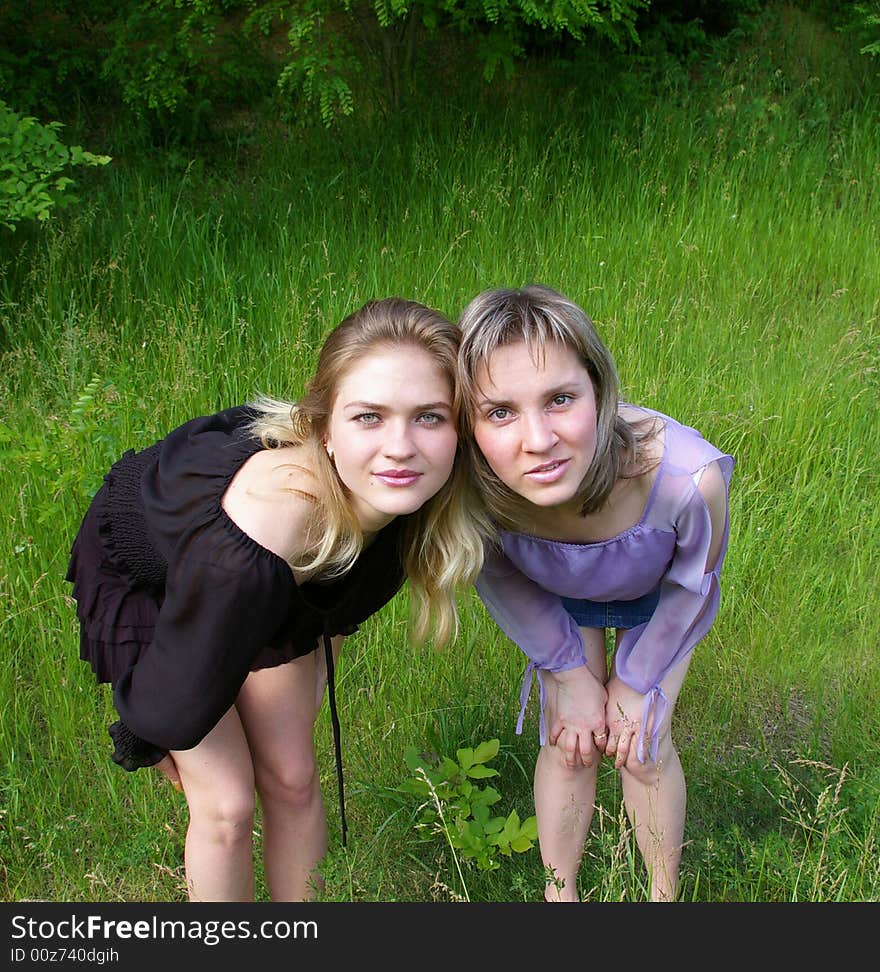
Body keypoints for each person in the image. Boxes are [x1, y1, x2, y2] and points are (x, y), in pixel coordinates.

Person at [66, 296, 487, 902]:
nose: (400, 446)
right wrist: (151, 731)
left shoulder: (401, 497)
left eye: (429, 417)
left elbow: (339, 595)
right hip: (149, 570)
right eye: (368, 416)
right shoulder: (271, 527)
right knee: (228, 804)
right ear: (325, 429)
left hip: (262, 577)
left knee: (291, 777)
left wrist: (318, 655)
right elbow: (178, 696)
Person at [456, 284, 734, 902]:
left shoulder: (687, 479)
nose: (538, 439)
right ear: (467, 423)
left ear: (600, 391)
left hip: (662, 598)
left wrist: (637, 684)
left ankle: (665, 896)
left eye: (560, 399)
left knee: (642, 744)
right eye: (499, 411)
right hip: (554, 598)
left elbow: (694, 587)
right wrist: (567, 673)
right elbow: (498, 576)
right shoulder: (473, 491)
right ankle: (561, 899)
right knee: (571, 739)